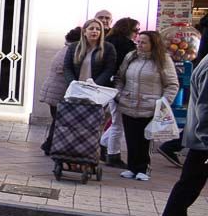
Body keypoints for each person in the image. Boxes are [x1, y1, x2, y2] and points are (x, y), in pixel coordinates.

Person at [156, 52, 208, 216]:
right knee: (188, 187)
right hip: (203, 142)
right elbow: (205, 107)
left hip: (201, 140)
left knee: (188, 186)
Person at [113, 31, 178, 181]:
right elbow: (120, 78)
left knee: (145, 139)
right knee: (130, 137)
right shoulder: (130, 57)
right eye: (138, 42)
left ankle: (143, 168)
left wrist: (162, 103)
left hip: (150, 106)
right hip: (128, 103)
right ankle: (131, 167)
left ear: (153, 44)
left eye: (143, 42)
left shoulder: (163, 60)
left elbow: (172, 85)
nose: (139, 45)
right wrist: (119, 95)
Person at [157, 12, 208, 167]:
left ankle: (172, 145)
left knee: (190, 181)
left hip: (201, 137)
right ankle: (172, 145)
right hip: (203, 139)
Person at [100, 17, 140, 167]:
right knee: (118, 122)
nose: (137, 34)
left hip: (108, 85)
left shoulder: (108, 41)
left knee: (117, 120)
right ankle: (113, 155)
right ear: (128, 30)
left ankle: (104, 144)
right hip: (119, 87)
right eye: (136, 30)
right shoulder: (127, 47)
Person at [38, 27, 82, 155]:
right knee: (59, 120)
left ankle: (49, 145)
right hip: (59, 91)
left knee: (57, 120)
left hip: (53, 90)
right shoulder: (72, 51)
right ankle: (49, 145)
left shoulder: (65, 49)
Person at [63, 18, 117, 89]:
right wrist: (73, 83)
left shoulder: (108, 48)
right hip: (76, 89)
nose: (95, 31)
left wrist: (94, 85)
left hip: (97, 89)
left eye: (98, 29)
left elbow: (109, 70)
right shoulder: (73, 47)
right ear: (84, 32)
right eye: (91, 28)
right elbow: (67, 68)